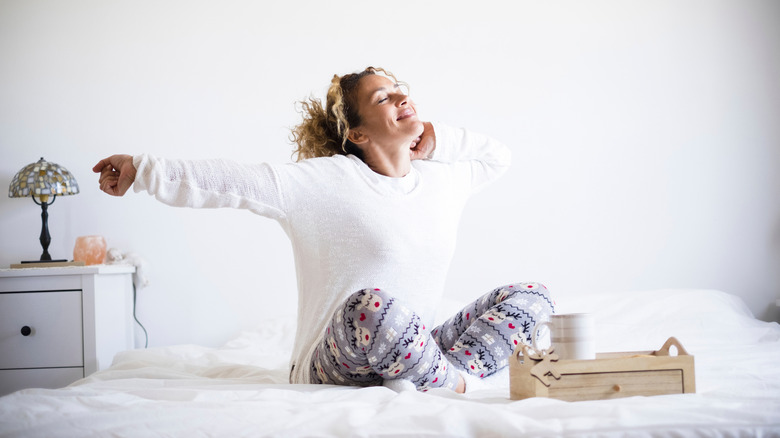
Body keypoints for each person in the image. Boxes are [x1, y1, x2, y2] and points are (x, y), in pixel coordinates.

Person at [93, 67, 555, 393]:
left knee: (534, 296)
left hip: (412, 346)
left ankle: (442, 375)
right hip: (335, 356)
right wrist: (142, 169)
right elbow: (230, 182)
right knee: (371, 307)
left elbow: (499, 157)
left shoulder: (443, 180)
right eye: (382, 98)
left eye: (400, 90)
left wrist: (439, 137)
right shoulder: (326, 182)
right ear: (357, 134)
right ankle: (454, 386)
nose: (400, 98)